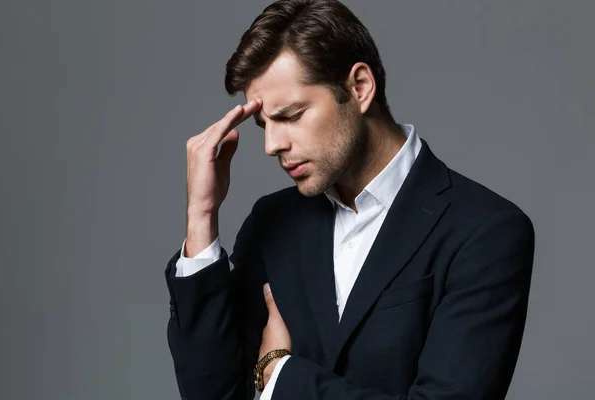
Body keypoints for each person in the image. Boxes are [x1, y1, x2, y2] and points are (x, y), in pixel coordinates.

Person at [164, 1, 535, 399]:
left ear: (359, 88)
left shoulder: (485, 231)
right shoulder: (273, 222)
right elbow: (213, 393)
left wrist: (280, 373)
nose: (272, 145)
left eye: (290, 115)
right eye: (262, 124)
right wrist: (201, 216)